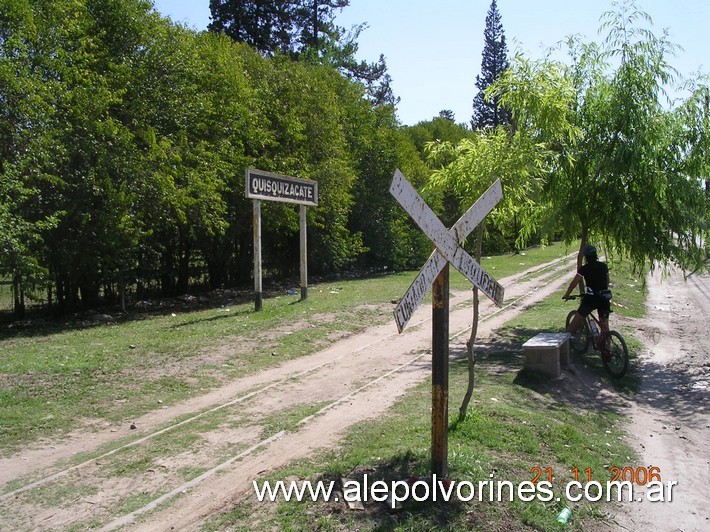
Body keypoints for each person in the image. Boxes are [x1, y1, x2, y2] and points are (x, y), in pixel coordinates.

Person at [562, 244, 611, 339]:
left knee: (574, 323)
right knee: (605, 327)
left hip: (591, 299)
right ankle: (607, 350)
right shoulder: (603, 266)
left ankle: (564, 345)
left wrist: (567, 294)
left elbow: (574, 283)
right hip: (604, 298)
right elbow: (608, 281)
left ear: (586, 256)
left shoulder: (584, 268)